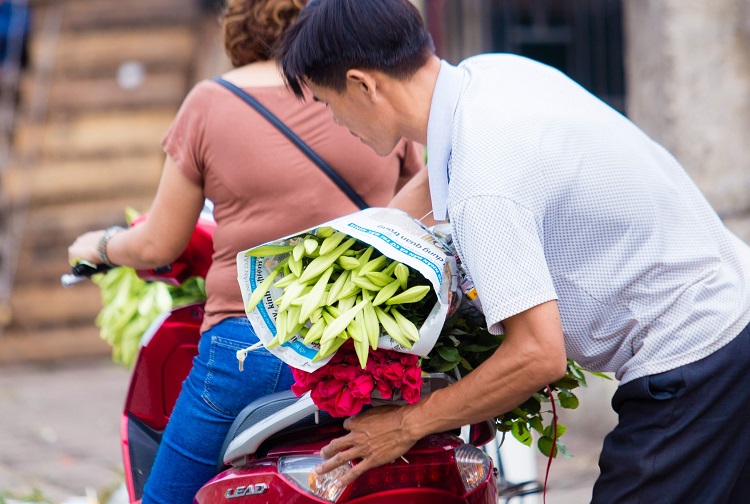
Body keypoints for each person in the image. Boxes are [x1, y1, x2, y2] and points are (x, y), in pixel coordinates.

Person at [275, 1, 750, 502]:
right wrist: (361, 259)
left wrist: (405, 425)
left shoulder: (484, 177)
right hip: (733, 308)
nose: (334, 120)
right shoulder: (491, 75)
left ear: (363, 84)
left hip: (698, 355)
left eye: (327, 102)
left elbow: (537, 355)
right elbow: (431, 184)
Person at [67, 1, 424, 502]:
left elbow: (159, 243)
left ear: (236, 26)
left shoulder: (210, 102)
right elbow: (419, 209)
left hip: (251, 346)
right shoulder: (367, 91)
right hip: (373, 346)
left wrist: (100, 245)